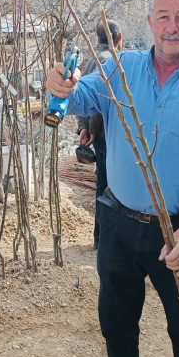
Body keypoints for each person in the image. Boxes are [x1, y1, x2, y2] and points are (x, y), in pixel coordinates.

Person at [45, 0, 179, 357]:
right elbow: (81, 97)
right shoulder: (120, 66)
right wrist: (62, 83)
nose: (172, 26)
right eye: (163, 16)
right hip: (117, 223)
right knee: (116, 325)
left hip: (177, 231)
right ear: (150, 21)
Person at [76, 19, 122, 249]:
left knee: (103, 184)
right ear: (119, 38)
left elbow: (80, 96)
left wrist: (83, 127)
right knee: (112, 186)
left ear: (97, 38)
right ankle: (106, 238)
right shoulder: (113, 62)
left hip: (97, 134)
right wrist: (92, 128)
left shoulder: (88, 61)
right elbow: (102, 103)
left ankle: (100, 236)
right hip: (108, 134)